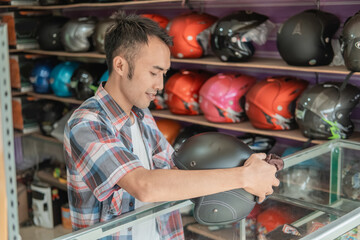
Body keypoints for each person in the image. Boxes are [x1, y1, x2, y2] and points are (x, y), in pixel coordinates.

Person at [64, 11, 280, 240]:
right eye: (153, 73)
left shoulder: (142, 115)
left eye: (164, 74)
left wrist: (249, 163)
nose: (160, 85)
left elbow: (177, 173)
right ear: (120, 65)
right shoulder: (87, 123)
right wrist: (244, 177)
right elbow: (144, 186)